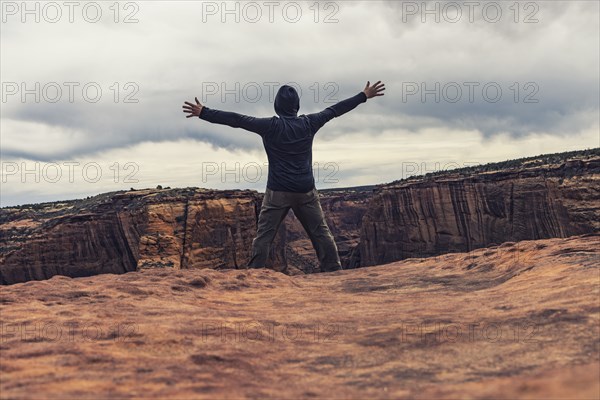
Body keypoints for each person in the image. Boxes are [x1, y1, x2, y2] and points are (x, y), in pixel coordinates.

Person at [183, 80, 385, 272]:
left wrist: (204, 113)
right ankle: (333, 269)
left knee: (264, 236)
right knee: (321, 233)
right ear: (296, 106)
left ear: (277, 106)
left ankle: (255, 272)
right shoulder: (309, 123)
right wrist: (363, 95)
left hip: (277, 192)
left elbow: (237, 120)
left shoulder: (270, 126)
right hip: (305, 190)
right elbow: (335, 110)